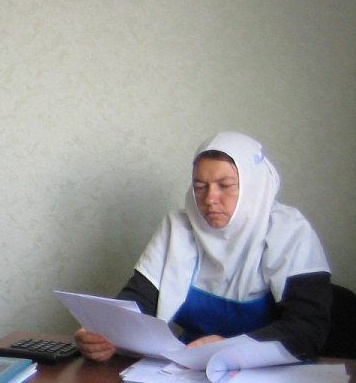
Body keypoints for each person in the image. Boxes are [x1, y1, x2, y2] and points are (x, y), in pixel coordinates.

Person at [74, 132, 331, 363]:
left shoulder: (289, 231)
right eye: (200, 187)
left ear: (254, 186)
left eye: (225, 186)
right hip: (188, 369)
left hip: (269, 376)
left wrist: (232, 349)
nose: (210, 199)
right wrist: (103, 334)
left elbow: (307, 329)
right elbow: (137, 304)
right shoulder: (179, 228)